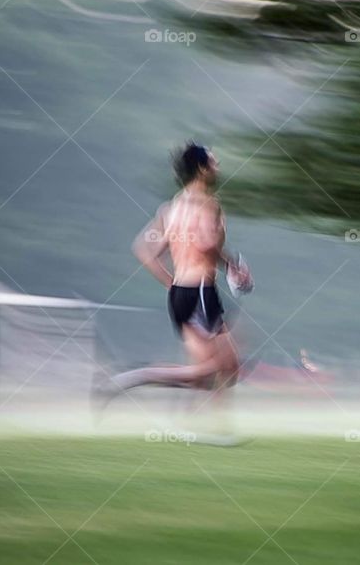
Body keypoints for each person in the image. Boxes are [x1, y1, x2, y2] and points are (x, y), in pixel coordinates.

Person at [93, 141, 251, 436]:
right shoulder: (209, 205)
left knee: (222, 369)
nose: (218, 167)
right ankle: (128, 380)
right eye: (214, 162)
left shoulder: (170, 208)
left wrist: (171, 283)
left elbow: (143, 250)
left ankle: (211, 427)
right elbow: (205, 244)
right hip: (202, 294)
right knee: (211, 371)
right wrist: (232, 264)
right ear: (202, 168)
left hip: (182, 294)